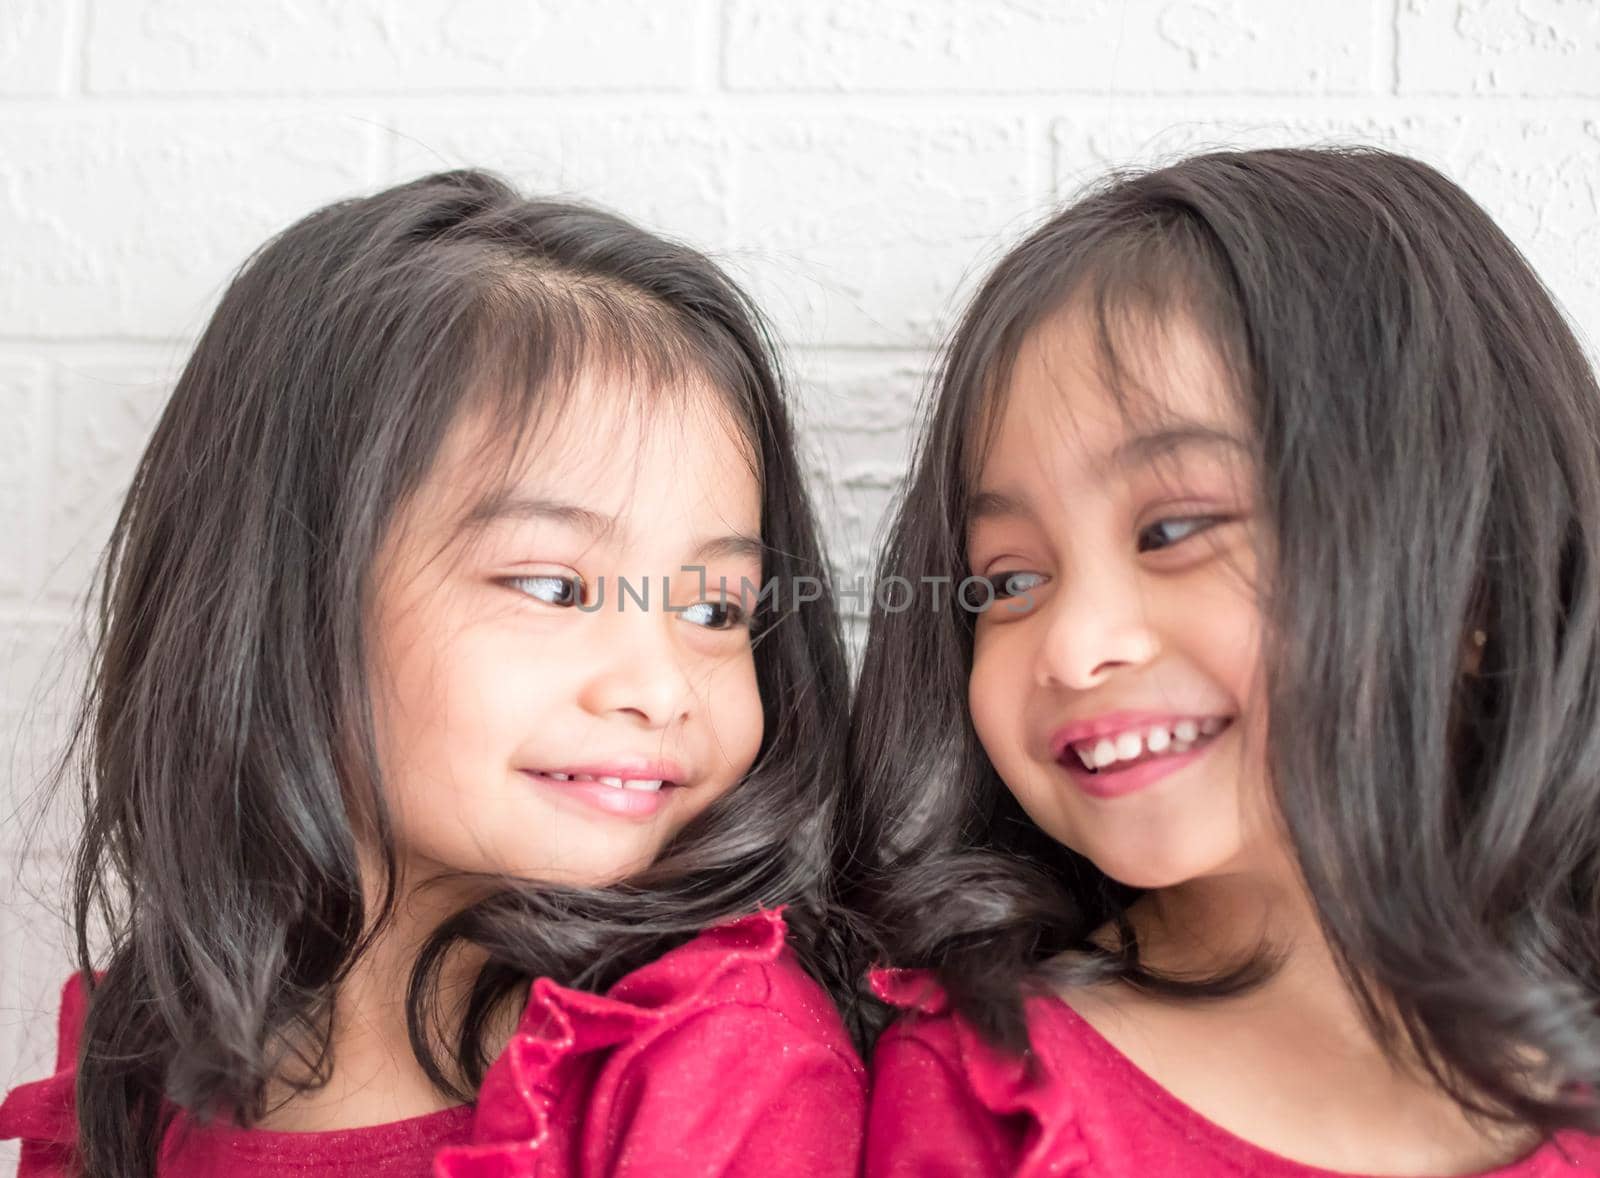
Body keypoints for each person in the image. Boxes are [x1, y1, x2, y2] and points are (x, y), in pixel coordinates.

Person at [0, 170, 863, 1177]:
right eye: (552, 586)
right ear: (288, 599)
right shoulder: (146, 1057)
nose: (661, 686)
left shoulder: (720, 1060)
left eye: (715, 608)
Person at [852, 146, 1600, 1176]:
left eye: (1172, 530)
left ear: (1475, 574)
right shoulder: (989, 1091)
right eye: (1008, 581)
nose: (1074, 645)